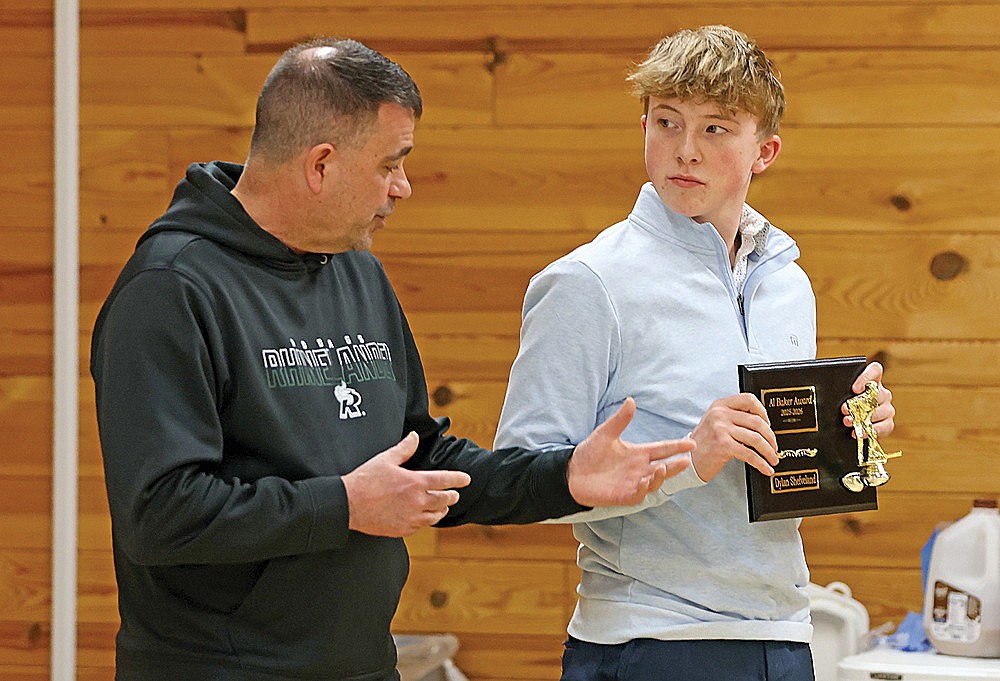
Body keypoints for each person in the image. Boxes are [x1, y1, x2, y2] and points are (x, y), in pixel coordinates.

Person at [89, 37, 696, 681]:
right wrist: (343, 505)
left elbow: (422, 459)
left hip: (361, 665)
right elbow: (159, 515)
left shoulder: (359, 274)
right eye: (390, 164)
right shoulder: (170, 290)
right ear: (320, 164)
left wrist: (562, 479)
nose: (403, 188)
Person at [494, 25, 896, 681]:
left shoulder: (787, 284)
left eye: (715, 129)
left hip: (787, 634)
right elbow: (515, 481)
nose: (684, 149)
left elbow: (779, 468)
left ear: (763, 150)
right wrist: (690, 456)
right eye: (667, 121)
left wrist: (853, 440)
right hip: (649, 642)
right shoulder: (588, 283)